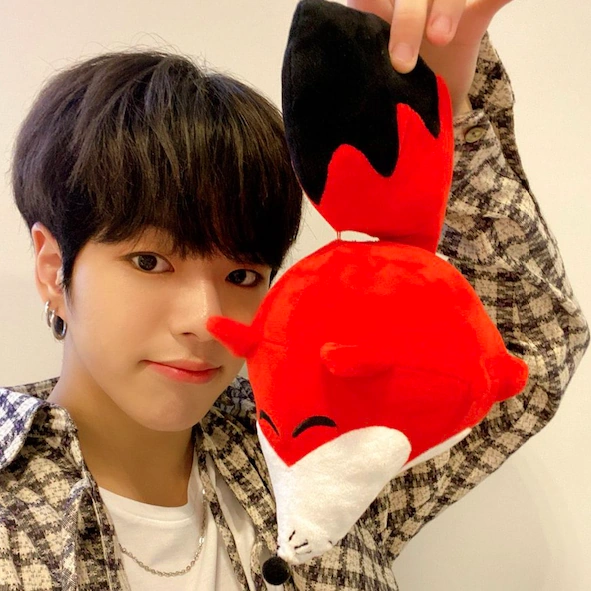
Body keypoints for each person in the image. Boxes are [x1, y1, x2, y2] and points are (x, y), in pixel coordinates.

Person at [0, 1, 588, 590]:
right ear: (54, 269)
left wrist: (445, 119)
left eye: (242, 276)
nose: (205, 319)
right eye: (150, 262)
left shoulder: (313, 450)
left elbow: (525, 354)